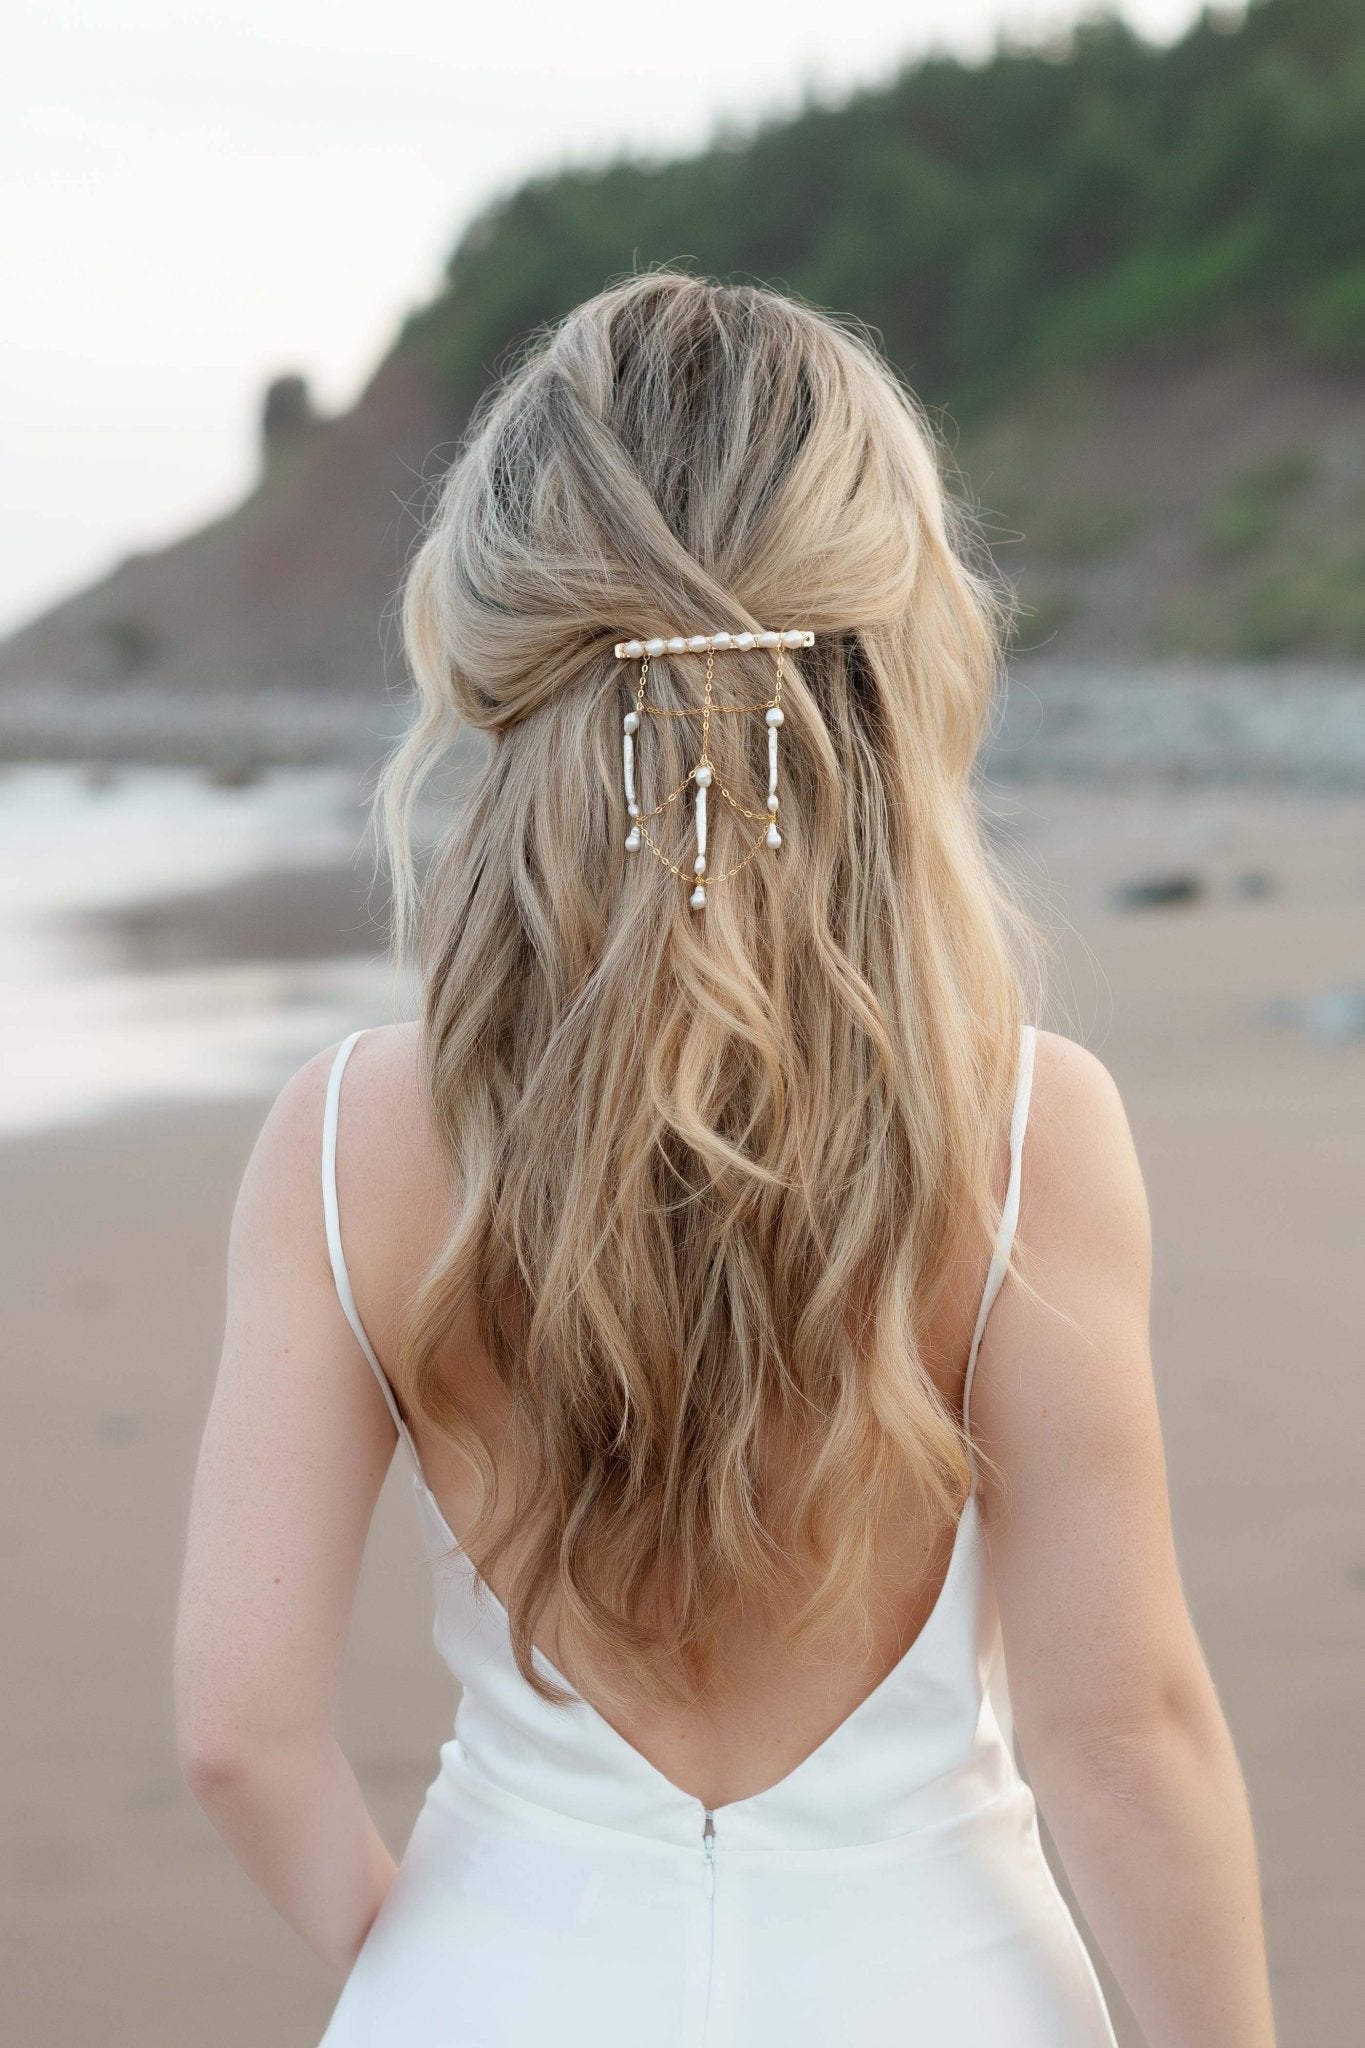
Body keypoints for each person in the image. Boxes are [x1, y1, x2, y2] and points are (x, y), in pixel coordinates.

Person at [174, 272, 1277, 2046]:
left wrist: (430, 1954)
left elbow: (239, 1732)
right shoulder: (1023, 1129)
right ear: (887, 645)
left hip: (495, 1980)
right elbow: (1122, 1740)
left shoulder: (344, 1141)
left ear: (495, 641)